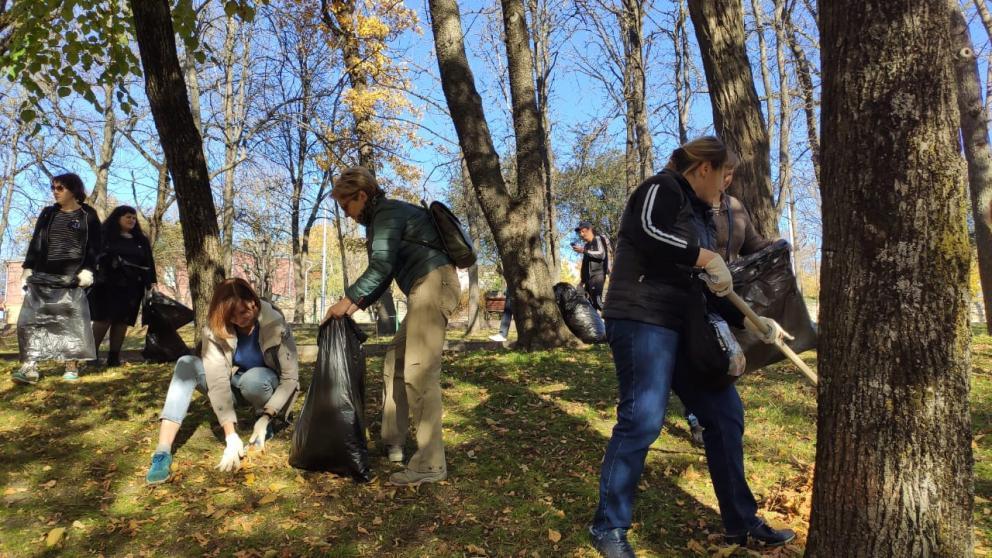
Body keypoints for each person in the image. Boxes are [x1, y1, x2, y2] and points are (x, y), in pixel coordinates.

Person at [588, 136, 795, 557]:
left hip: (687, 327)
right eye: (723, 177)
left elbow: (708, 283)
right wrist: (702, 256)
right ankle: (608, 527)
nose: (725, 188)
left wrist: (755, 322)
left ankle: (741, 522)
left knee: (724, 414)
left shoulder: (702, 214)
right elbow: (645, 232)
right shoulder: (660, 189)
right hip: (642, 318)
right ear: (704, 168)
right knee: (642, 419)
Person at [323, 166, 459, 487]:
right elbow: (383, 275)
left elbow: (381, 266)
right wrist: (352, 307)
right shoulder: (382, 217)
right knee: (394, 360)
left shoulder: (386, 213)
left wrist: (345, 303)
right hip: (425, 287)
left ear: (362, 195)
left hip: (433, 284)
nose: (347, 215)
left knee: (419, 372)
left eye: (347, 206)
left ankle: (429, 465)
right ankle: (393, 441)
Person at [144, 278, 299, 485]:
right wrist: (230, 436)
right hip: (231, 384)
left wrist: (267, 416)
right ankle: (162, 451)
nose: (238, 320)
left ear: (253, 301)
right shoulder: (215, 329)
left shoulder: (275, 323)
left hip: (262, 385)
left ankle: (261, 419)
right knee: (186, 363)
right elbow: (217, 380)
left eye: (243, 312)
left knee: (254, 379)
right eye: (231, 316)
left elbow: (290, 378)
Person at [685, 152, 774, 446]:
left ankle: (715, 414)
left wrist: (775, 247)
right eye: (722, 173)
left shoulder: (735, 207)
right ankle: (697, 419)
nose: (725, 180)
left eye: (730, 175)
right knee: (701, 355)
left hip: (728, 294)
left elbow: (753, 244)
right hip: (696, 293)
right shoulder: (691, 206)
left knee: (725, 356)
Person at [12, 173, 101, 384]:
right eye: (53, 187)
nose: (55, 191)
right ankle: (30, 367)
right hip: (43, 275)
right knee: (30, 321)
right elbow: (36, 242)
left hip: (72, 278)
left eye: (59, 188)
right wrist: (27, 269)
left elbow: (96, 247)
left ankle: (71, 366)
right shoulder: (48, 213)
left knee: (72, 321)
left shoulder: (88, 215)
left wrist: (88, 271)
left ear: (73, 190)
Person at [88, 206, 158, 367]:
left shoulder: (141, 239)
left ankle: (114, 357)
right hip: (106, 285)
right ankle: (90, 356)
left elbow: (149, 263)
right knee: (103, 320)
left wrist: (151, 283)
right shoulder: (104, 236)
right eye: (128, 217)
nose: (132, 220)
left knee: (122, 321)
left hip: (132, 287)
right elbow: (94, 257)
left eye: (134, 218)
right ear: (117, 218)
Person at [571, 222, 610, 312]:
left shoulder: (598, 239)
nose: (581, 234)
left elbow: (601, 254)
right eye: (580, 233)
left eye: (583, 231)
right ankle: (597, 325)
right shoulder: (586, 245)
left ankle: (614, 319)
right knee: (590, 305)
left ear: (590, 230)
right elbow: (585, 265)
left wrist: (584, 251)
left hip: (598, 276)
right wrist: (582, 281)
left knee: (597, 302)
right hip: (588, 279)